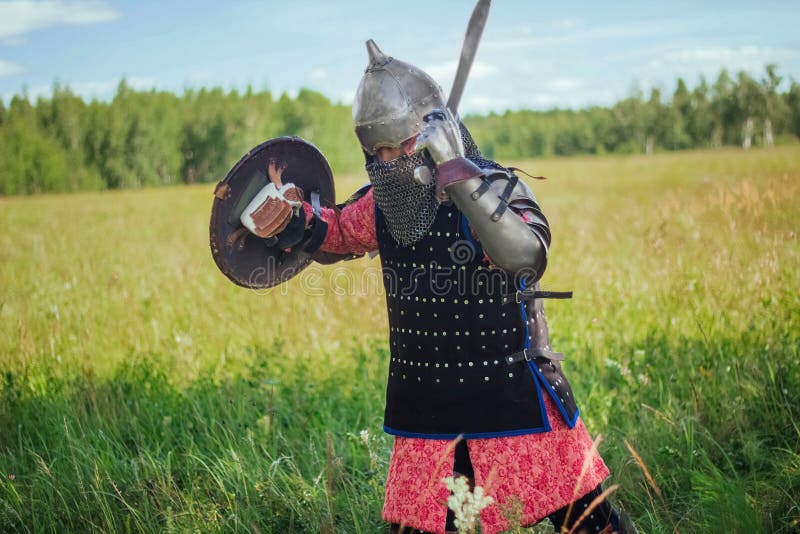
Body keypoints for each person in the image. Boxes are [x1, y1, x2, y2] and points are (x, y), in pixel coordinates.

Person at [242, 40, 632, 534]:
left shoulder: (495, 186)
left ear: (434, 130)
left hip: (511, 397)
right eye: (378, 152)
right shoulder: (387, 204)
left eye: (400, 145)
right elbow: (335, 233)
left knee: (590, 525)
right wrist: (290, 221)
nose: (391, 161)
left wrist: (460, 178)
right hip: (426, 413)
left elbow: (526, 258)